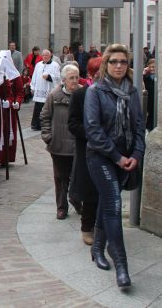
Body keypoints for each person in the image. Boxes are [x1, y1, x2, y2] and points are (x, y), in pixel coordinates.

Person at [84, 44, 145, 289]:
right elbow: (93, 131)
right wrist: (118, 157)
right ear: (105, 65)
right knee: (114, 206)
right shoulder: (96, 92)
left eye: (123, 62)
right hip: (101, 157)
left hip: (127, 158)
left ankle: (97, 248)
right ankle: (121, 265)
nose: (119, 65)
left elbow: (140, 126)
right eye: (114, 62)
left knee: (107, 202)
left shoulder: (132, 92)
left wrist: (137, 155)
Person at [68, 57, 102, 247]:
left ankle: (103, 226)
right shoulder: (80, 95)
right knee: (90, 192)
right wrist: (92, 134)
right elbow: (73, 124)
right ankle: (87, 227)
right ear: (90, 75)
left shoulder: (113, 92)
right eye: (98, 75)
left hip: (108, 150)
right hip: (88, 149)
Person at [41, 64, 81, 220]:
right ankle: (61, 207)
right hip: (58, 145)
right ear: (64, 80)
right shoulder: (54, 95)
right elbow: (45, 116)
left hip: (77, 145)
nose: (75, 81)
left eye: (77, 77)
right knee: (60, 178)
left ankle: (76, 201)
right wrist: (48, 136)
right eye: (72, 78)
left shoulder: (83, 93)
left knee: (78, 177)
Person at [0, 49, 25, 165]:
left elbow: (20, 92)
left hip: (10, 110)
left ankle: (6, 158)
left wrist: (17, 102)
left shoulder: (15, 76)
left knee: (9, 132)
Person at [30, 49, 61, 131]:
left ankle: (47, 124)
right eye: (43, 55)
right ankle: (36, 125)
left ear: (50, 55)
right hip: (39, 89)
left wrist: (49, 77)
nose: (44, 57)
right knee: (38, 107)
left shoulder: (55, 65)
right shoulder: (38, 65)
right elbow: (34, 76)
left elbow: (58, 78)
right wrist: (32, 87)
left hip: (49, 90)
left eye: (46, 55)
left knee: (47, 108)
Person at [143, 58, 156, 131]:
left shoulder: (159, 77)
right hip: (149, 100)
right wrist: (143, 74)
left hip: (155, 100)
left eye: (153, 67)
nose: (151, 69)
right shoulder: (146, 77)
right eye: (150, 67)